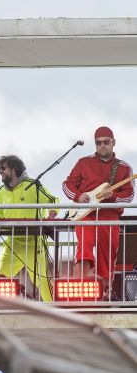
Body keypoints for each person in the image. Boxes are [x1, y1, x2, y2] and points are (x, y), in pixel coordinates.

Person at [62, 126, 134, 296]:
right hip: (86, 214)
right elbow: (67, 185)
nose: (102, 145)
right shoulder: (83, 162)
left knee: (107, 252)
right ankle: (81, 285)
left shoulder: (124, 168)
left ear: (113, 142)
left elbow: (129, 195)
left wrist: (113, 196)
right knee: (85, 245)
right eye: (98, 143)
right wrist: (78, 196)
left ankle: (105, 291)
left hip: (109, 214)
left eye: (106, 142)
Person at [0, 155, 59, 301]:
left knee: (44, 284)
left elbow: (53, 200)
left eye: (3, 168)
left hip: (34, 243)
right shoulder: (1, 191)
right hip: (12, 244)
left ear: (14, 169)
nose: (0, 171)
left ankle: (57, 310)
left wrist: (53, 211)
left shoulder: (33, 186)